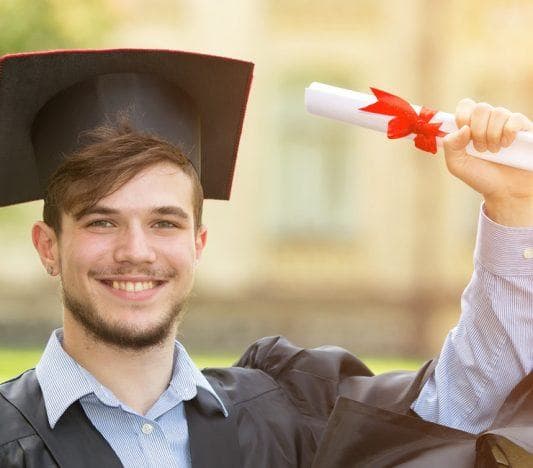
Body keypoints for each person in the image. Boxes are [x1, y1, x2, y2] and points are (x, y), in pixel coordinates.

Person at [0, 49, 531, 467]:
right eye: (102, 221)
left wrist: (508, 208)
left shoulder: (281, 413)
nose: (136, 251)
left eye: (164, 222)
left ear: (197, 244)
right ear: (49, 245)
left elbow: (455, 406)